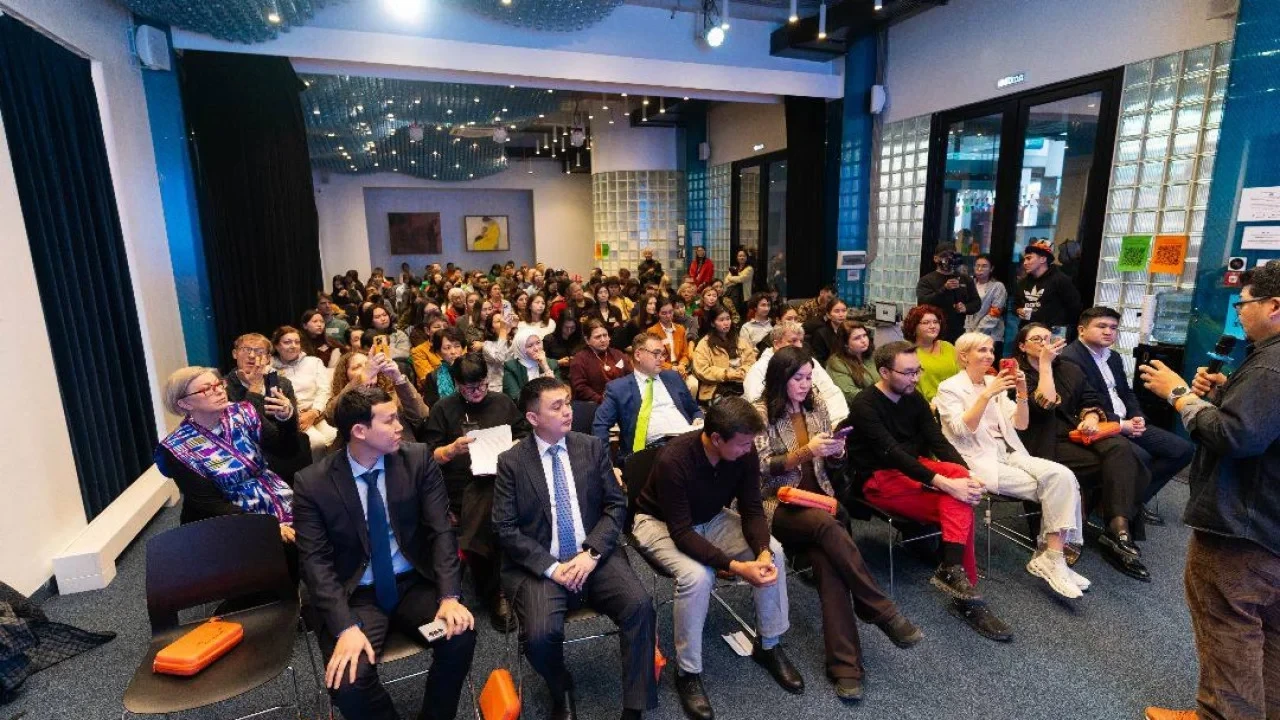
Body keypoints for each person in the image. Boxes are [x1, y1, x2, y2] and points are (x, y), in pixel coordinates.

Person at [1137, 261, 1280, 720]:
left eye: (1244, 303)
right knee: (1270, 631)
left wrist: (1180, 395)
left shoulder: (1270, 366)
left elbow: (1235, 437)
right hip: (1271, 523)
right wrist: (1224, 394)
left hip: (1243, 525)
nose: (1239, 312)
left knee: (1229, 625)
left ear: (1274, 306)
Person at [293, 386, 477, 720]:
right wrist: (345, 627)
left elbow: (441, 531)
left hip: (413, 586)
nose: (399, 427)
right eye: (389, 420)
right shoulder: (313, 483)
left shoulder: (416, 460)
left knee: (458, 634)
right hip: (356, 596)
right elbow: (314, 563)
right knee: (349, 682)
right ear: (359, 431)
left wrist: (449, 596)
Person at [753, 348, 922, 700]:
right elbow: (760, 468)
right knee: (828, 526)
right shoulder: (759, 412)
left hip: (819, 500)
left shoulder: (816, 405)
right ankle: (880, 608)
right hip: (776, 503)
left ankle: (845, 667)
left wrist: (837, 452)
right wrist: (806, 452)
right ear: (780, 379)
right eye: (798, 378)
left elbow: (831, 463)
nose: (805, 384)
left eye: (809, 377)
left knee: (830, 567)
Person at [493, 378, 658, 720]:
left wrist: (592, 553)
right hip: (544, 565)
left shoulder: (590, 447)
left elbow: (616, 505)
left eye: (567, 403)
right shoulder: (512, 462)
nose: (568, 411)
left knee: (640, 606)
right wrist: (553, 568)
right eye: (557, 407)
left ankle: (635, 705)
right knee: (539, 637)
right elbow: (505, 529)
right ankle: (561, 687)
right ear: (533, 418)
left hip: (593, 555)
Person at [631, 397, 801, 720]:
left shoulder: (744, 451)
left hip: (710, 516)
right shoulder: (674, 460)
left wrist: (762, 551)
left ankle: (769, 645)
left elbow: (752, 508)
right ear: (717, 438)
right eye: (743, 444)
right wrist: (735, 566)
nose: (748, 449)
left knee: (775, 553)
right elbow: (682, 533)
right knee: (698, 577)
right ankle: (688, 672)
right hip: (658, 522)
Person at [846, 341, 1012, 642]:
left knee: (961, 485)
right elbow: (893, 453)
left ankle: (953, 569)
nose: (916, 378)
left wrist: (969, 475)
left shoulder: (914, 397)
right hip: (879, 478)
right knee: (958, 498)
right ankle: (966, 593)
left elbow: (938, 442)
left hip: (915, 467)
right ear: (884, 372)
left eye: (918, 370)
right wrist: (946, 483)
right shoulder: (865, 405)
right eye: (908, 372)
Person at [935, 333, 1087, 599]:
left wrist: (1022, 391)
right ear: (964, 356)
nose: (989, 355)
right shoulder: (949, 388)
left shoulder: (993, 381)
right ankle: (1053, 558)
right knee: (1057, 486)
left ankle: (1052, 557)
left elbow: (1021, 424)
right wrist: (987, 395)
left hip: (1010, 452)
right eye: (981, 350)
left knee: (1063, 475)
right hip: (976, 459)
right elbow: (961, 430)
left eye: (990, 350)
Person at [1012, 323, 1153, 581]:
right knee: (1123, 466)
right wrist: (1045, 365)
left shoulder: (1068, 368)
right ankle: (1117, 535)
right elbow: (1043, 405)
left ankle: (1118, 527)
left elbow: (1091, 399)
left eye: (1048, 338)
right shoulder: (1017, 375)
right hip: (1042, 440)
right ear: (1022, 346)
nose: (1045, 343)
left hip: (1078, 433)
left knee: (1121, 449)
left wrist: (1090, 416)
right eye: (1037, 339)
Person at [421, 352, 528, 631]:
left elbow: (525, 434)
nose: (477, 392)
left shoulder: (502, 402)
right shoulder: (444, 409)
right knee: (488, 505)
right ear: (457, 385)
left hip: (503, 476)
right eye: (469, 388)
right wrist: (451, 450)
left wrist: (515, 445)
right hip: (461, 483)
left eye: (481, 385)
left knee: (493, 497)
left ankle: (480, 564)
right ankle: (497, 591)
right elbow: (428, 457)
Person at [1061, 306, 1195, 525]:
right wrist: (1122, 423)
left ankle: (1129, 501)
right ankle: (1121, 505)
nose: (1108, 332)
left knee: (1182, 450)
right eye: (1101, 326)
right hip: (1099, 425)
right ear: (1081, 330)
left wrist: (1137, 416)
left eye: (1113, 327)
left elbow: (1126, 392)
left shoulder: (1113, 357)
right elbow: (1081, 404)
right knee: (1141, 457)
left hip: (1128, 422)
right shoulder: (1069, 358)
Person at [156, 366, 296, 567]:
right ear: (185, 403)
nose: (219, 391)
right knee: (281, 551)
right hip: (227, 516)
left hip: (274, 493)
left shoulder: (243, 412)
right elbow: (210, 505)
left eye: (218, 384)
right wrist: (266, 525)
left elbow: (286, 451)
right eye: (207, 389)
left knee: (315, 529)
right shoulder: (178, 447)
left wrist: (286, 418)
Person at [594, 332, 702, 462]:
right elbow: (600, 425)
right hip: (656, 449)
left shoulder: (673, 377)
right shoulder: (618, 388)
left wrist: (698, 418)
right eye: (656, 353)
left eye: (663, 354)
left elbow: (694, 410)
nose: (662, 359)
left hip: (689, 438)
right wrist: (606, 465)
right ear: (638, 355)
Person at [225, 333, 312, 486]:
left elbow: (291, 431)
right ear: (235, 354)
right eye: (246, 349)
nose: (252, 356)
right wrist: (254, 389)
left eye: (259, 351)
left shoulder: (282, 384)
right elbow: (247, 431)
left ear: (268, 358)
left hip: (284, 449)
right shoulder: (224, 389)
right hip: (247, 455)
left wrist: (286, 415)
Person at [746, 322, 849, 425]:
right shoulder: (758, 370)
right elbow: (759, 406)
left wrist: (836, 422)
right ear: (777, 344)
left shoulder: (809, 362)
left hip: (818, 420)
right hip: (779, 424)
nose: (799, 346)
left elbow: (830, 391)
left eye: (801, 341)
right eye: (793, 341)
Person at [327, 350, 430, 440]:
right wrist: (362, 379)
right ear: (345, 376)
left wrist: (398, 379)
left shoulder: (393, 392)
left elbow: (421, 415)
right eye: (357, 367)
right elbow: (331, 416)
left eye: (368, 364)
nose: (368, 368)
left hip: (398, 448)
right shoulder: (342, 398)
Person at [272, 325, 337, 455]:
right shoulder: (271, 369)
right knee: (316, 442)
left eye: (297, 342)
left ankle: (335, 468)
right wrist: (296, 414)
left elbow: (324, 390)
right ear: (277, 346)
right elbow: (274, 398)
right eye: (287, 342)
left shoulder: (314, 362)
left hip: (318, 412)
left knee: (335, 436)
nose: (293, 346)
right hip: (294, 416)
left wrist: (314, 411)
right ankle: (316, 469)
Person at [1014, 239, 1082, 337]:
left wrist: (1064, 328)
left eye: (1029, 258)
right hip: (1028, 331)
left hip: (1053, 333)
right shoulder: (1023, 282)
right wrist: (1018, 310)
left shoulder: (1060, 280)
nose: (1025, 263)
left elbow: (1075, 307)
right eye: (1025, 259)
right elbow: (1015, 304)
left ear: (1042, 259)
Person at [916, 244, 979, 343]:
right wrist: (944, 289)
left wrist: (965, 308)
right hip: (933, 333)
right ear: (936, 258)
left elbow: (976, 302)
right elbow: (923, 302)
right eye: (944, 256)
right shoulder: (926, 280)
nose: (948, 259)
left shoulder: (965, 279)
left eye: (952, 256)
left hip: (957, 332)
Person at [692, 306, 756, 402]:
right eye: (721, 320)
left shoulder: (739, 340)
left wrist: (743, 371)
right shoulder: (704, 344)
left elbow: (751, 362)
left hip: (742, 382)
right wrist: (726, 374)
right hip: (717, 387)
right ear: (713, 323)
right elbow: (702, 370)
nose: (726, 323)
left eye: (728, 319)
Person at [904, 305, 958, 404]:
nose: (933, 326)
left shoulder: (948, 346)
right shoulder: (907, 352)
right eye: (926, 323)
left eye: (936, 322)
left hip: (954, 402)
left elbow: (961, 375)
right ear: (914, 326)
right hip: (923, 405)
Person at [569, 319, 631, 405]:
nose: (603, 340)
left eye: (605, 335)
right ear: (587, 340)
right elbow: (580, 388)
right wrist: (601, 400)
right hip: (595, 405)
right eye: (598, 337)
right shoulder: (579, 360)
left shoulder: (618, 354)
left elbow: (630, 376)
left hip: (622, 400)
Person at [649, 296, 696, 394]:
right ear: (658, 313)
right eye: (664, 313)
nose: (668, 316)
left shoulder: (680, 329)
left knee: (693, 384)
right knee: (674, 388)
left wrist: (682, 365)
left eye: (670, 312)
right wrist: (671, 368)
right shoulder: (652, 331)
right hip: (663, 369)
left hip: (680, 367)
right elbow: (653, 358)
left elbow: (685, 353)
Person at [825, 320, 877, 407]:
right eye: (857, 338)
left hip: (878, 403)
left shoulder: (871, 355)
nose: (863, 340)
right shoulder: (836, 363)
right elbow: (851, 395)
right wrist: (881, 396)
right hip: (858, 408)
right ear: (845, 344)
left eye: (864, 335)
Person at [964, 254, 1007, 355]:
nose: (979, 269)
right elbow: (966, 309)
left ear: (991, 268)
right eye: (977, 265)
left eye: (984, 266)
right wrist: (968, 332)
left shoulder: (998, 286)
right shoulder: (970, 284)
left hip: (990, 335)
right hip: (969, 333)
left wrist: (977, 333)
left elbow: (995, 313)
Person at [504, 326, 557, 403]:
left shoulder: (552, 364)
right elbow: (516, 398)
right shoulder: (511, 367)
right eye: (530, 346)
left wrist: (545, 367)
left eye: (538, 343)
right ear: (521, 349)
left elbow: (560, 392)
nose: (536, 348)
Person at [421, 327, 467, 408]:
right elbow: (432, 407)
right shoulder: (433, 377)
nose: (453, 352)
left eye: (457, 346)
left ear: (462, 348)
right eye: (447, 348)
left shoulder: (473, 369)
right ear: (439, 352)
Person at [806, 298, 848, 365]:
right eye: (837, 311)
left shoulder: (850, 330)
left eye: (844, 310)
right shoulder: (820, 333)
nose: (841, 314)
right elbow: (819, 360)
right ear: (828, 315)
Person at [482, 311, 515, 393]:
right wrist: (503, 331)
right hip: (498, 389)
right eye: (499, 321)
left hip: (514, 384)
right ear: (492, 329)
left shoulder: (513, 341)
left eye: (504, 320)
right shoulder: (487, 345)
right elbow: (501, 359)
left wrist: (515, 327)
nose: (504, 323)